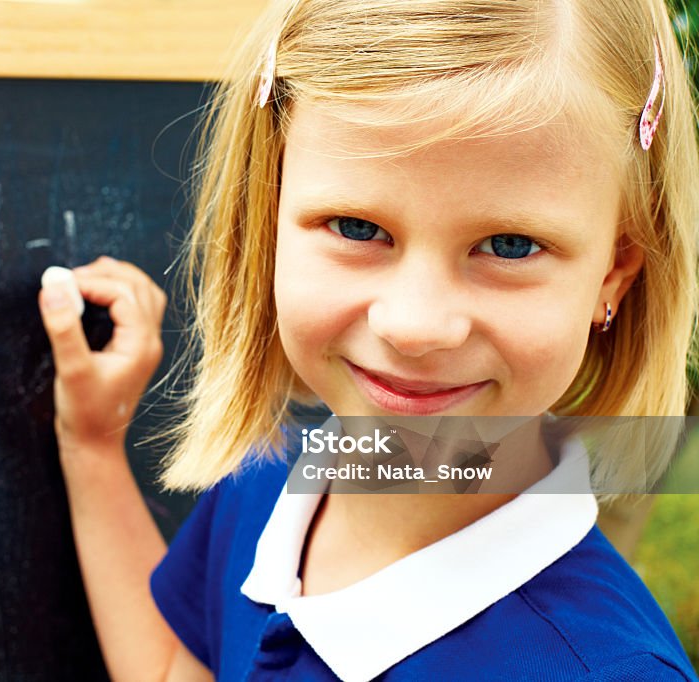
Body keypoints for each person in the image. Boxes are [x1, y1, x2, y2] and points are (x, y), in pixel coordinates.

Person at [36, 0, 699, 678]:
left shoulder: (608, 669)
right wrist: (91, 444)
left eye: (509, 245)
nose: (414, 326)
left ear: (611, 278)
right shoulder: (266, 481)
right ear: (267, 217)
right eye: (356, 227)